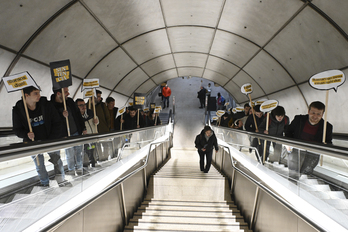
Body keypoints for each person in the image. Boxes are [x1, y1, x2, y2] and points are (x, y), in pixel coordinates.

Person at [13, 86, 65, 186]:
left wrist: (52, 139)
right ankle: (45, 184)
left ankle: (61, 181)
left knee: (57, 161)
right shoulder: (18, 110)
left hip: (50, 139)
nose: (39, 96)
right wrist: (26, 134)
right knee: (39, 165)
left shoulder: (46, 105)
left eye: (38, 93)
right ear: (26, 95)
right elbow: (17, 129)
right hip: (33, 142)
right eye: (35, 93)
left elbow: (57, 122)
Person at [285, 101, 333, 177]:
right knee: (293, 174)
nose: (315, 116)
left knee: (305, 176)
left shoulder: (327, 127)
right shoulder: (299, 120)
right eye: (313, 113)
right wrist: (289, 143)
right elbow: (288, 131)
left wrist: (326, 145)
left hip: (313, 154)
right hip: (296, 150)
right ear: (308, 111)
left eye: (318, 114)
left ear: (322, 114)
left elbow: (329, 142)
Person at [51, 87, 86, 176]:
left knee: (79, 153)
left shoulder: (70, 101)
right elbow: (53, 121)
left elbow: (78, 116)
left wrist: (83, 128)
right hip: (65, 135)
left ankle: (80, 170)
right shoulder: (51, 105)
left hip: (76, 132)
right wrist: (62, 116)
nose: (68, 94)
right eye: (66, 92)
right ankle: (71, 171)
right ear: (58, 94)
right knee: (69, 155)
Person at [76, 98, 99, 167]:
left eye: (84, 105)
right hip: (86, 138)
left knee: (93, 150)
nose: (84, 107)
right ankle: (89, 164)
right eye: (81, 105)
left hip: (93, 135)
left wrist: (96, 121)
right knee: (88, 151)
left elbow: (96, 120)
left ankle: (94, 163)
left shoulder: (90, 112)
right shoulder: (77, 116)